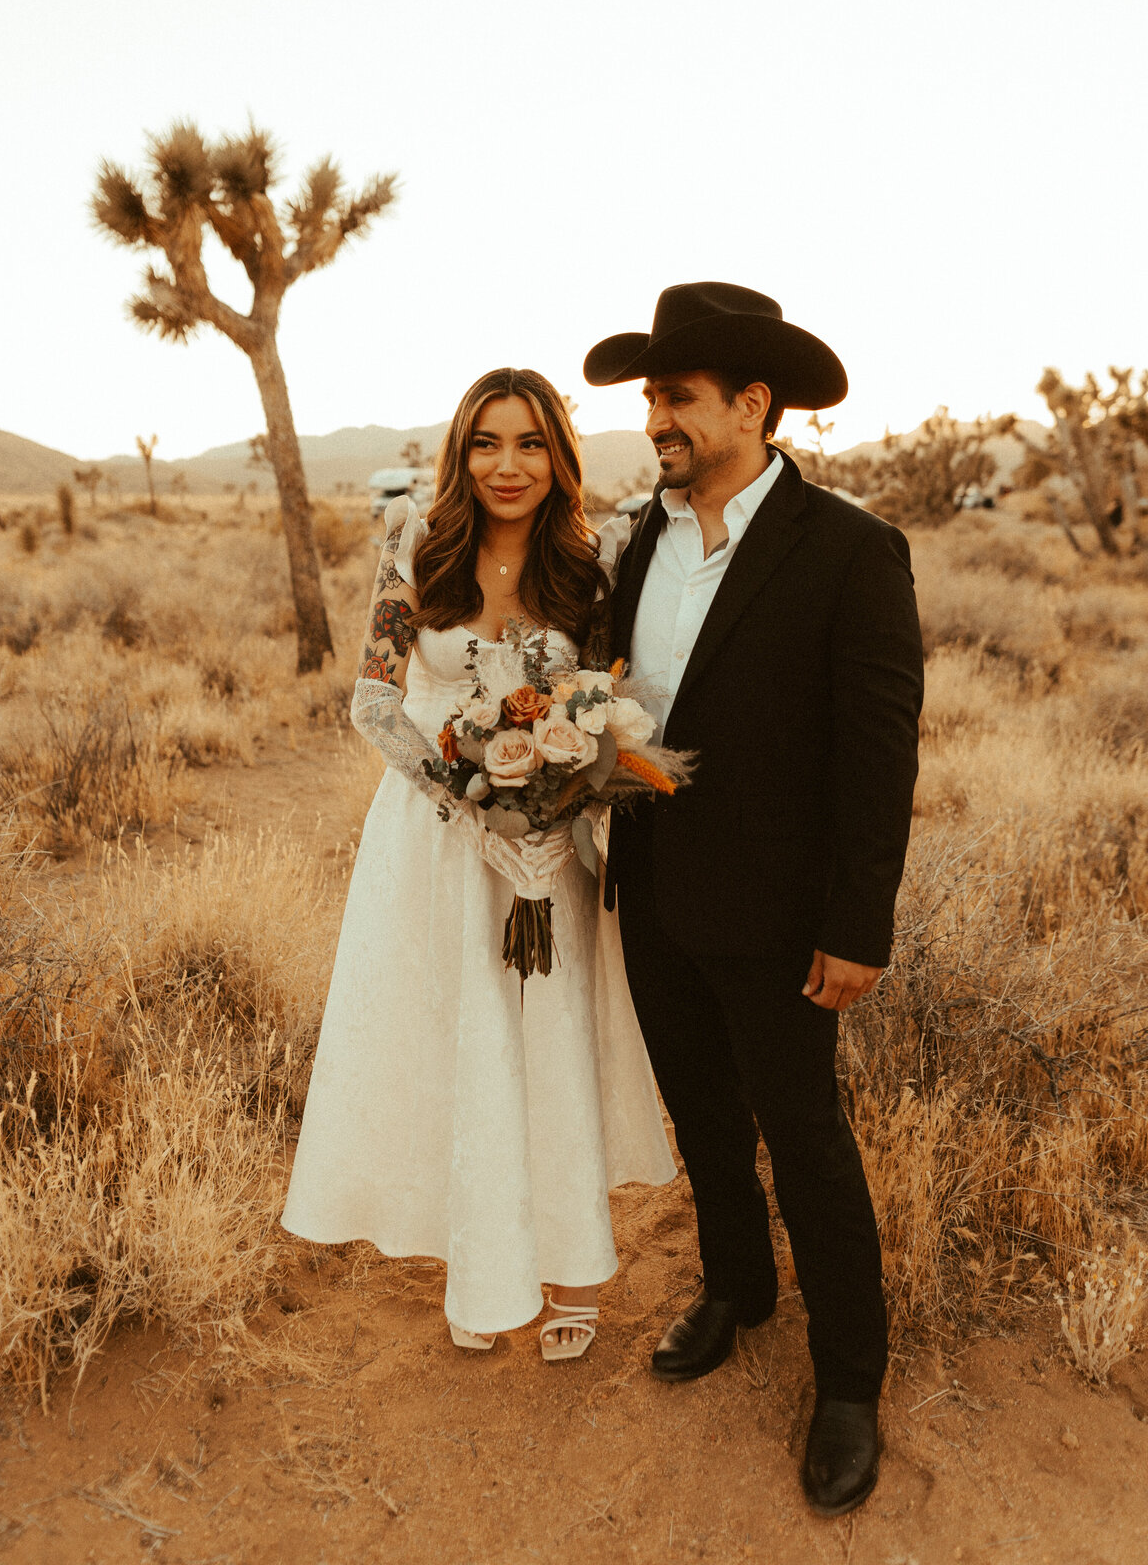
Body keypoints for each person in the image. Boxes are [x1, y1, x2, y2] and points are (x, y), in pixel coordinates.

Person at [583, 283, 923, 1516]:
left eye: (676, 398)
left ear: (753, 404)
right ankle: (736, 1288)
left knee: (808, 1139)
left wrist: (856, 924)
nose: (655, 419)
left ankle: (847, 1381)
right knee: (703, 1117)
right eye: (649, 400)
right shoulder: (639, 542)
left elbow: (878, 756)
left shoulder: (850, 550)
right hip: (656, 889)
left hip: (783, 916)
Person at [282, 368, 675, 1358]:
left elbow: (597, 708)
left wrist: (558, 806)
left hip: (552, 852)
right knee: (463, 1048)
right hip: (434, 844)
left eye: (532, 443)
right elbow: (375, 703)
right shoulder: (417, 543)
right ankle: (485, 1270)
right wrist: (470, 805)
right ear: (460, 456)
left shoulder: (590, 565)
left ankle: (575, 1273)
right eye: (488, 444)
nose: (509, 465)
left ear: (560, 458)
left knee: (550, 1046)